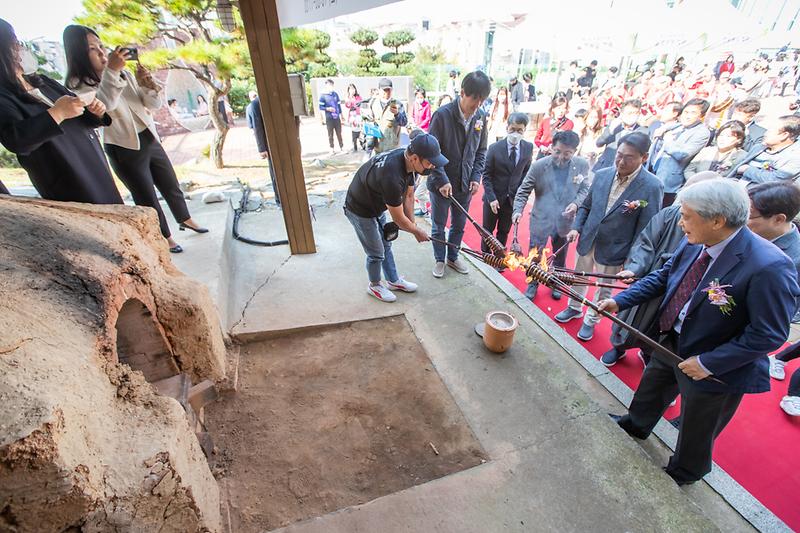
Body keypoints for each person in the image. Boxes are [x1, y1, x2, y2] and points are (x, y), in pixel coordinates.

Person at [601, 178, 799, 486]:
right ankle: (635, 426)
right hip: (674, 338)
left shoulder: (769, 266)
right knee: (650, 390)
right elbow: (668, 276)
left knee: (697, 425)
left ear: (717, 220)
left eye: (686, 216)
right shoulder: (697, 238)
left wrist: (707, 363)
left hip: (717, 363)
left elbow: (769, 335)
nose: (680, 223)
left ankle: (685, 472)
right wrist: (619, 300)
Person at [64, 25, 206, 254]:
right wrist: (110, 72)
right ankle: (164, 237)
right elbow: (104, 108)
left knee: (170, 183)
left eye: (101, 46)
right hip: (123, 146)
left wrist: (149, 87)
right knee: (146, 195)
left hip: (148, 136)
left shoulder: (123, 74)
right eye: (92, 49)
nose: (102, 53)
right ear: (78, 53)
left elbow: (152, 106)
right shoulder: (77, 85)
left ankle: (185, 218)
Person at [601, 171, 720, 367]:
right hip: (653, 275)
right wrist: (636, 268)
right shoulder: (669, 215)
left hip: (682, 288)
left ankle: (650, 353)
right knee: (633, 316)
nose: (683, 222)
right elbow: (646, 242)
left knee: (663, 324)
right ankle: (619, 347)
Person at [0, 19, 122, 206]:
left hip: (92, 162)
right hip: (65, 175)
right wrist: (57, 113)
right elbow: (16, 139)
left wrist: (95, 111)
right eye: (14, 42)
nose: (20, 47)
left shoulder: (42, 81)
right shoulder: (4, 96)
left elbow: (78, 109)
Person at [555, 132, 663, 341]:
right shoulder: (603, 174)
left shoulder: (652, 186)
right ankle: (575, 307)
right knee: (579, 277)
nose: (621, 162)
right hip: (588, 238)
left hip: (616, 247)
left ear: (644, 157)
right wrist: (577, 227)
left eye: (629, 157)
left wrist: (632, 259)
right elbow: (586, 206)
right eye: (619, 155)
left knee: (602, 289)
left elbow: (647, 229)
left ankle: (591, 319)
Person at [344, 134, 442, 302]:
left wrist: (413, 225)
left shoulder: (409, 163)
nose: (432, 166)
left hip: (376, 204)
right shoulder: (391, 175)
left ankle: (393, 280)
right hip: (359, 209)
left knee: (386, 244)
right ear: (415, 158)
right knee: (376, 252)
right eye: (429, 162)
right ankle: (374, 285)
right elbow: (398, 219)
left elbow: (409, 196)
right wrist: (416, 231)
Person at [427, 70, 491, 278]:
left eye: (482, 101)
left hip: (465, 183)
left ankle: (452, 257)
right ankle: (439, 259)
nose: (477, 105)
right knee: (438, 224)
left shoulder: (480, 117)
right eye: (475, 100)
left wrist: (475, 177)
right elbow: (431, 152)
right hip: (441, 183)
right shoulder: (442, 115)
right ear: (462, 93)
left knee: (459, 224)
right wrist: (442, 179)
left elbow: (481, 151)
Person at [512, 130, 590, 299]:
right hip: (541, 218)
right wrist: (517, 210)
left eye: (567, 153)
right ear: (551, 147)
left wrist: (576, 204)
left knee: (560, 256)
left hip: (565, 221)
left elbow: (585, 189)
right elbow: (523, 190)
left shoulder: (582, 165)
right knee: (535, 253)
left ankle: (555, 282)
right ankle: (532, 281)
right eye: (557, 151)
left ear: (575, 152)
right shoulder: (539, 165)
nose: (561, 157)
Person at [481, 112, 533, 262]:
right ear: (507, 127)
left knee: (503, 231)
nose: (515, 133)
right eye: (512, 129)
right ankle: (485, 257)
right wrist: (491, 198)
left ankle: (499, 259)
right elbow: (486, 175)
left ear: (524, 130)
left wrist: (518, 197)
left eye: (519, 130)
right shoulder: (495, 148)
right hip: (493, 198)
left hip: (512, 200)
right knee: (487, 231)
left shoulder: (528, 148)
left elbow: (525, 173)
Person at [650, 98, 711, 206]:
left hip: (669, 184)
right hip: (653, 172)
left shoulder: (702, 132)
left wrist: (668, 142)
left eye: (693, 113)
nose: (687, 116)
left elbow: (683, 155)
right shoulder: (677, 126)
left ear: (701, 116)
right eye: (686, 112)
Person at [728, 115, 800, 184]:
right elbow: (737, 171)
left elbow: (775, 180)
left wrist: (747, 170)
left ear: (784, 135)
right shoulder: (758, 148)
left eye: (770, 130)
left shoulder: (795, 158)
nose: (765, 133)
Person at [245, 91, 280, 206]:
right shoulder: (255, 104)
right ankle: (279, 199)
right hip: (269, 143)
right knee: (275, 172)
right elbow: (257, 127)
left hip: (282, 139)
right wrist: (261, 148)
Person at [594, 99, 647, 171]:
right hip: (604, 167)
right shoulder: (615, 126)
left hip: (624, 171)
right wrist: (610, 130)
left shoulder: (642, 132)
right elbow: (599, 143)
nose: (632, 116)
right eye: (629, 113)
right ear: (622, 113)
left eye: (636, 113)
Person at [366, 78, 407, 154]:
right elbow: (369, 123)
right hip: (377, 148)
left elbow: (404, 122)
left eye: (389, 90)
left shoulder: (398, 104)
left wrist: (397, 114)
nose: (387, 92)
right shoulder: (373, 103)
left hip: (392, 148)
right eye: (384, 90)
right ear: (379, 90)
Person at [534, 95, 573, 159]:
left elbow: (568, 141)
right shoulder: (545, 121)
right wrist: (541, 146)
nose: (561, 111)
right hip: (543, 153)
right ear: (553, 109)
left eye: (564, 108)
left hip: (558, 156)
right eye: (559, 108)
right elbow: (537, 137)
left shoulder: (569, 123)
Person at [318, 79, 344, 155]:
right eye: (329, 85)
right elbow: (320, 107)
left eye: (332, 85)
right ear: (326, 86)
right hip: (329, 117)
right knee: (330, 133)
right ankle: (331, 148)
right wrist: (327, 109)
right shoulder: (323, 96)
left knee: (339, 132)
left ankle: (341, 147)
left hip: (337, 117)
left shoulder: (335, 94)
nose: (331, 87)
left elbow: (339, 105)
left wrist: (341, 115)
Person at [343, 83, 362, 153]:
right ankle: (355, 146)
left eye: (353, 89)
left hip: (358, 116)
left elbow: (360, 105)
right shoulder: (348, 97)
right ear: (348, 90)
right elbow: (347, 106)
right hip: (352, 117)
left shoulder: (358, 97)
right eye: (350, 89)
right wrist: (349, 99)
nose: (352, 90)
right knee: (353, 131)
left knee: (360, 131)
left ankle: (362, 144)